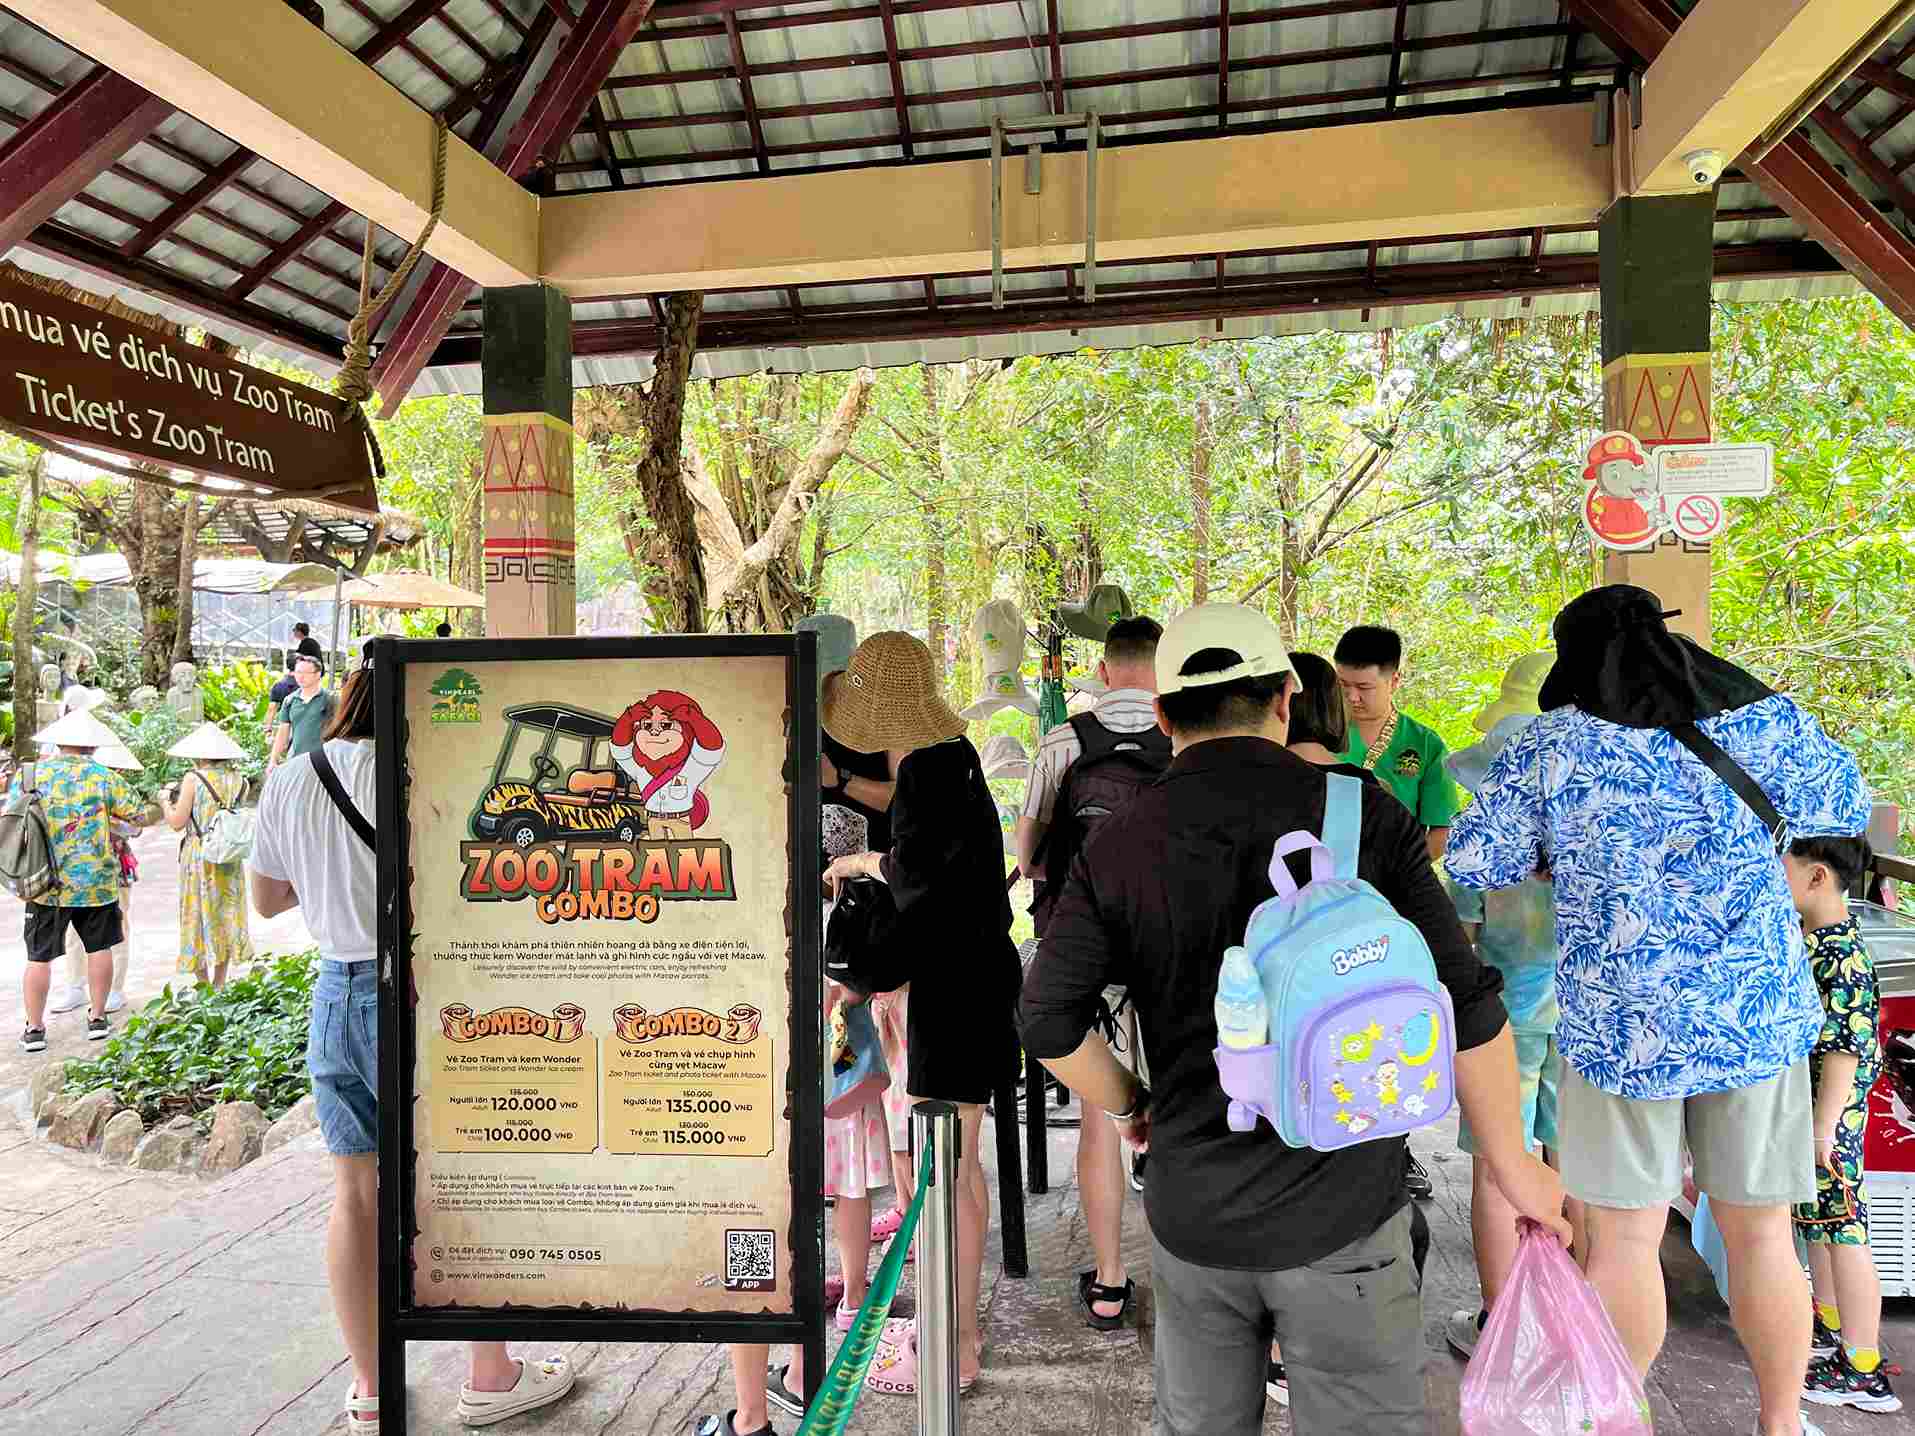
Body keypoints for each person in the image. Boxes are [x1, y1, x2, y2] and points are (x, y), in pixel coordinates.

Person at [1022, 603, 1566, 1436]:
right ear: (1285, 696)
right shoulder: (1363, 815)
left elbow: (1046, 1019)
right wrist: (1511, 1162)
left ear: (1165, 717)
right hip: (1345, 1208)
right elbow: (1467, 1001)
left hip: (1195, 1211)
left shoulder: (1121, 838)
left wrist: (1134, 1103)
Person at [1447, 585, 1871, 1436]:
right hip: (1752, 1020)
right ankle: (1780, 1423)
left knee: (1626, 1244)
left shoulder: (1550, 743)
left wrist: (1556, 856)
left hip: (1621, 1028)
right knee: (1762, 1241)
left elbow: (1474, 855)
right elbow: (1845, 806)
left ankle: (1620, 1423)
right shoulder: (1762, 720)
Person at [249, 655, 575, 1433]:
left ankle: (369, 1389)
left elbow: (265, 901)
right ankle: (490, 1377)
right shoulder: (438, 775)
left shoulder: (296, 776)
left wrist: (328, 872)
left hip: (336, 992)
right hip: (432, 994)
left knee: (356, 1196)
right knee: (459, 1186)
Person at [821, 631, 1021, 1396]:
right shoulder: (944, 758)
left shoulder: (931, 767)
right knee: (954, 1169)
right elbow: (916, 824)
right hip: (968, 981)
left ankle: (953, 1345)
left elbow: (914, 871)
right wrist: (844, 782)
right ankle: (952, 1327)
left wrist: (857, 862)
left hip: (951, 990)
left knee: (948, 1174)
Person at [1013, 614, 1165, 1330]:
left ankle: (1108, 1281)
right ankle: (1194, 1277)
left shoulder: (1063, 742)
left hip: (1085, 954)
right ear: (1164, 669)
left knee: (1105, 1118)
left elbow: (1028, 854)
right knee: (1184, 1100)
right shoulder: (1187, 740)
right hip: (1171, 954)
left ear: (1103, 672)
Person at [1436, 658, 1580, 1361]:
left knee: (1501, 1158)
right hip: (1591, 1010)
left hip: (1502, 1016)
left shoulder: (1485, 825)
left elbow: (1459, 929)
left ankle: (1502, 1323)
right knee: (1578, 1158)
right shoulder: (1606, 804)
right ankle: (1585, 1304)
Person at [800, 613, 915, 1238]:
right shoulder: (786, 727)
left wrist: (838, 779)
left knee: (891, 1081)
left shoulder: (880, 731)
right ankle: (861, 1236)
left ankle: (909, 1212)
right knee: (846, 1083)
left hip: (880, 941)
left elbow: (905, 800)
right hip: (822, 939)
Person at [1782, 834, 1900, 1414]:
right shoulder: (1817, 942)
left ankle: (1865, 1366)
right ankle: (1831, 1335)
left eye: (1788, 867)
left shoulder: (1841, 954)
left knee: (1846, 1232)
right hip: (1815, 1116)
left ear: (1817, 878)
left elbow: (1845, 1050)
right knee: (1822, 1227)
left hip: (1829, 1119)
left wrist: (1822, 1128)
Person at [9, 709, 146, 1050]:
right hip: (96, 882)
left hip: (44, 884)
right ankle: (97, 1018)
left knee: (38, 956)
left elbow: (11, 816)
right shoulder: (104, 777)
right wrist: (107, 824)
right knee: (99, 949)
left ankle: (35, 1029)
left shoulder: (31, 775)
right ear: (92, 747)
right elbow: (138, 818)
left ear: (58, 742)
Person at [1333, 625, 1461, 860]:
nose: (1352, 697)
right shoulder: (1319, 732)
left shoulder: (1425, 744)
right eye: (1343, 684)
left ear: (1394, 681)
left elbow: (1442, 829)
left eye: (1364, 687)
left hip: (1396, 873)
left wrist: (1403, 873)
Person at [162, 721, 256, 990]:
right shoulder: (240, 780)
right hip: (229, 855)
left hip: (200, 854)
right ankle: (220, 981)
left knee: (197, 913)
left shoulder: (193, 778)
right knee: (226, 912)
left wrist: (164, 802)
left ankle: (203, 984)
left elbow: (177, 822)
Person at [269, 654, 335, 770]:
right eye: (298, 672)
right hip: (295, 761)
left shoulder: (330, 699)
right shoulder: (289, 700)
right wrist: (273, 760)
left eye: (306, 673)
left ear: (318, 674)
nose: (301, 677)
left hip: (323, 762)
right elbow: (282, 733)